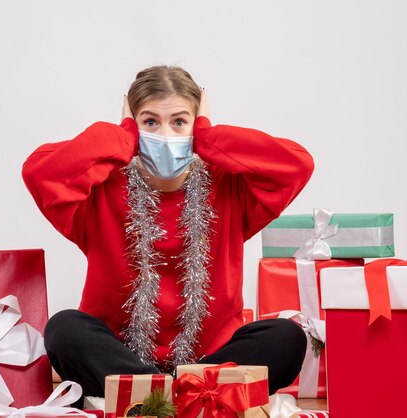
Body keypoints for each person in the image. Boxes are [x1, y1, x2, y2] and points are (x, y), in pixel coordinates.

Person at [22, 65, 314, 399]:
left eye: (179, 121)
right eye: (150, 122)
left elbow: (297, 164)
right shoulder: (99, 189)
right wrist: (122, 137)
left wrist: (208, 137)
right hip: (120, 356)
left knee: (285, 337)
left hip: (209, 360)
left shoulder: (229, 185)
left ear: (196, 123)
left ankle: (158, 395)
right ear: (133, 125)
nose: (165, 135)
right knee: (64, 329)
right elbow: (39, 172)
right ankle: (182, 395)